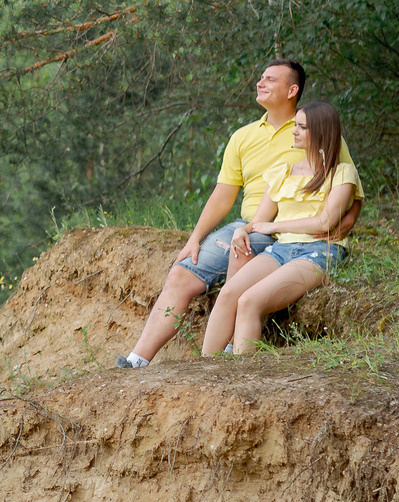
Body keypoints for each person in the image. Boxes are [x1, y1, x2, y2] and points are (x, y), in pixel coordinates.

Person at [117, 60, 352, 368]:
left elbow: (346, 183)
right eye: (261, 77)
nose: (260, 82)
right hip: (252, 224)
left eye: (270, 79)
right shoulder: (243, 136)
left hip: (295, 231)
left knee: (239, 258)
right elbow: (223, 195)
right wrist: (195, 238)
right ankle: (138, 360)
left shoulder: (313, 129)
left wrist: (344, 223)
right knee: (181, 273)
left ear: (292, 90)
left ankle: (230, 353)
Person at [201, 100, 359, 356]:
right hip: (282, 248)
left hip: (319, 251)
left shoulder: (342, 173)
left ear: (321, 132)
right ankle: (204, 368)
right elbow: (258, 220)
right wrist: (244, 230)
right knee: (230, 293)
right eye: (295, 125)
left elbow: (325, 222)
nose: (294, 131)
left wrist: (274, 225)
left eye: (302, 127)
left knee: (249, 301)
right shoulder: (282, 172)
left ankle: (243, 378)